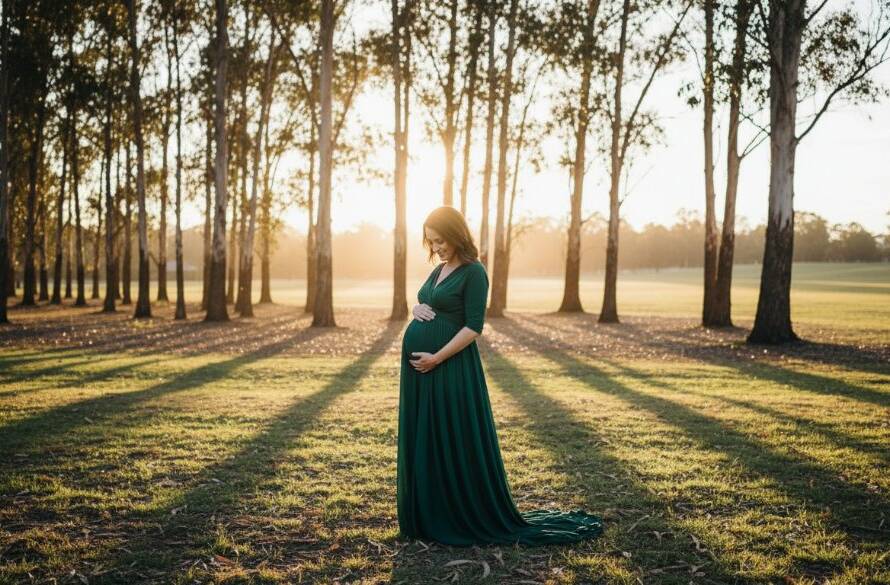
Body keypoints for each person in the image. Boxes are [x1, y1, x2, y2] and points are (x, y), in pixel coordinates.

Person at [397, 205, 604, 546]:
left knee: (451, 438)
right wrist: (416, 308)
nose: (436, 248)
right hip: (422, 374)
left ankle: (455, 513)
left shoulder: (474, 272)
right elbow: (430, 304)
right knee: (426, 437)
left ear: (457, 235)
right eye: (431, 242)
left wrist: (436, 357)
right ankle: (427, 512)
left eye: (441, 241)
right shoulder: (441, 268)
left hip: (450, 368)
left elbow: (474, 327)